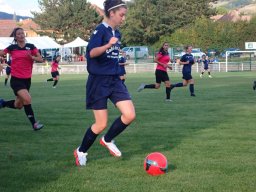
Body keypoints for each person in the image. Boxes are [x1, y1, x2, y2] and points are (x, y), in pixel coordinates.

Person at [74, 0, 136, 166]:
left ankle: (108, 140)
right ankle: (81, 151)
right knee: (101, 124)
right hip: (98, 82)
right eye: (121, 15)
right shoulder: (100, 30)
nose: (124, 18)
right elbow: (92, 53)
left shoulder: (118, 33)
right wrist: (108, 44)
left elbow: (111, 56)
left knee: (130, 115)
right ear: (111, 13)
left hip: (115, 80)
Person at [0, 27, 44, 130]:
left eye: (22, 33)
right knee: (28, 99)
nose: (21, 35)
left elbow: (41, 59)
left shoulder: (31, 47)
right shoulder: (12, 48)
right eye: (18, 34)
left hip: (27, 80)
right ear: (15, 37)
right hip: (16, 79)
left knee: (19, 105)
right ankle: (34, 124)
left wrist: (32, 58)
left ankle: (3, 103)